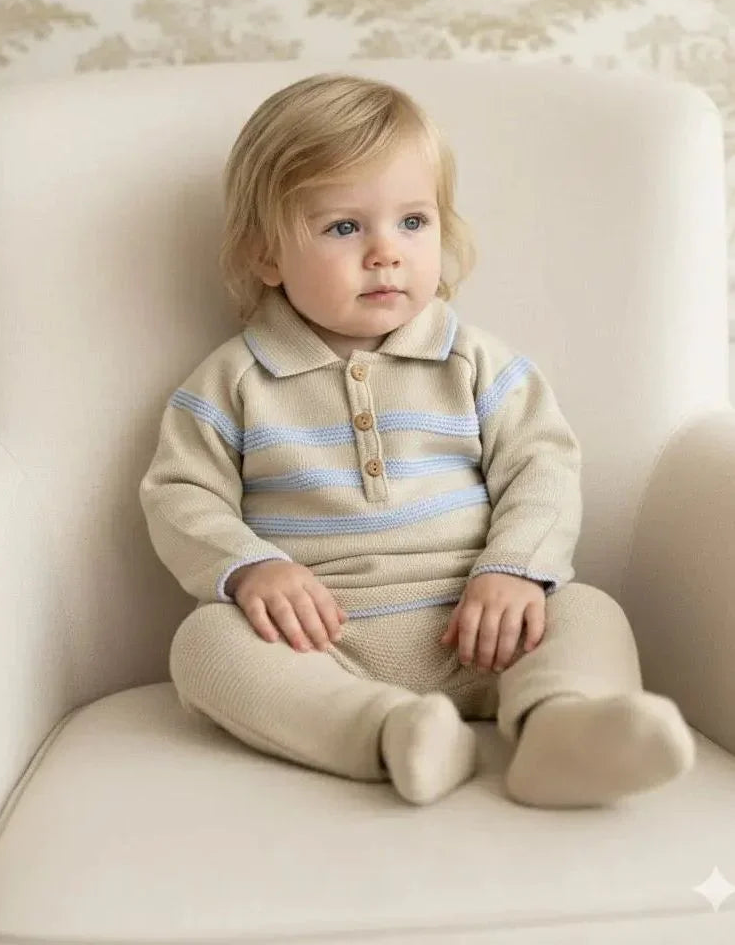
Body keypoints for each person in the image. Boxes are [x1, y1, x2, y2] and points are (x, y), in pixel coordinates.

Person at [139, 72, 696, 807]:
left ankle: (559, 730)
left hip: (483, 625)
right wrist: (249, 570)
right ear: (265, 256)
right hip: (322, 642)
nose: (385, 252)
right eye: (343, 227)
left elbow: (542, 468)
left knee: (586, 608)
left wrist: (514, 569)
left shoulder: (475, 363)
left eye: (412, 221)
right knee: (205, 644)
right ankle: (391, 733)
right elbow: (180, 494)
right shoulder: (233, 382)